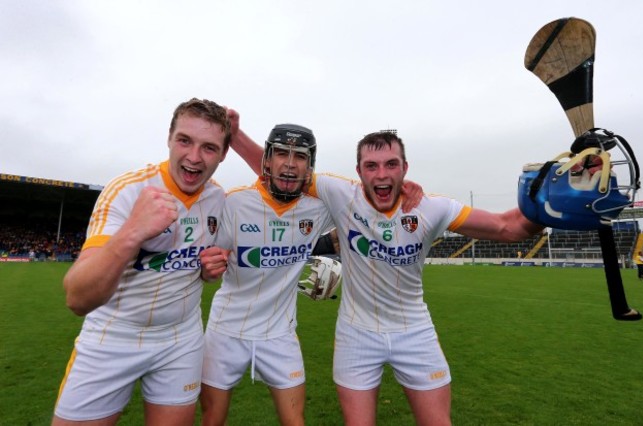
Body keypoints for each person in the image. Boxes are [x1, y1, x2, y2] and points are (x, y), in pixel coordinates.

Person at [228, 122, 544, 425]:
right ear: (359, 172)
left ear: (405, 168)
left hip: (414, 331)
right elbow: (285, 174)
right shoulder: (341, 195)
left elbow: (509, 227)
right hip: (357, 333)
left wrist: (546, 197)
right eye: (372, 165)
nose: (382, 174)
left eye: (391, 164)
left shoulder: (431, 208)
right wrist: (235, 134)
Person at [52, 98, 232, 426]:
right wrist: (132, 232)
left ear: (223, 154)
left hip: (181, 338)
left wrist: (208, 271)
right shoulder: (126, 190)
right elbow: (78, 298)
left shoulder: (218, 198)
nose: (193, 157)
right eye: (184, 141)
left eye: (208, 147)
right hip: (114, 334)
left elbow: (201, 268)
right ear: (169, 138)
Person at [198, 123, 336, 426]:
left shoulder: (320, 207)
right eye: (282, 153)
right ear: (267, 160)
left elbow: (363, 208)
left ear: (310, 165)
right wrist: (209, 271)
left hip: (280, 334)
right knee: (212, 419)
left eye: (299, 156)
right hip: (226, 331)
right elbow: (210, 271)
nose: (289, 163)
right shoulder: (234, 202)